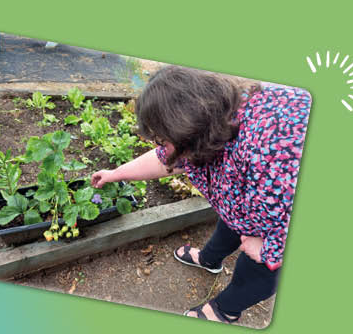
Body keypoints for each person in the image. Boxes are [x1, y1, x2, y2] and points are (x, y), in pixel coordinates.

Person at [90, 66, 310, 324]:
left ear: (188, 133)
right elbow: (164, 160)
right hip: (242, 210)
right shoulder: (208, 124)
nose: (159, 146)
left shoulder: (272, 153)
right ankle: (209, 259)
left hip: (278, 228)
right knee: (228, 224)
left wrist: (271, 249)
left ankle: (225, 310)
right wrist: (115, 173)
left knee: (256, 272)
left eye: (162, 139)